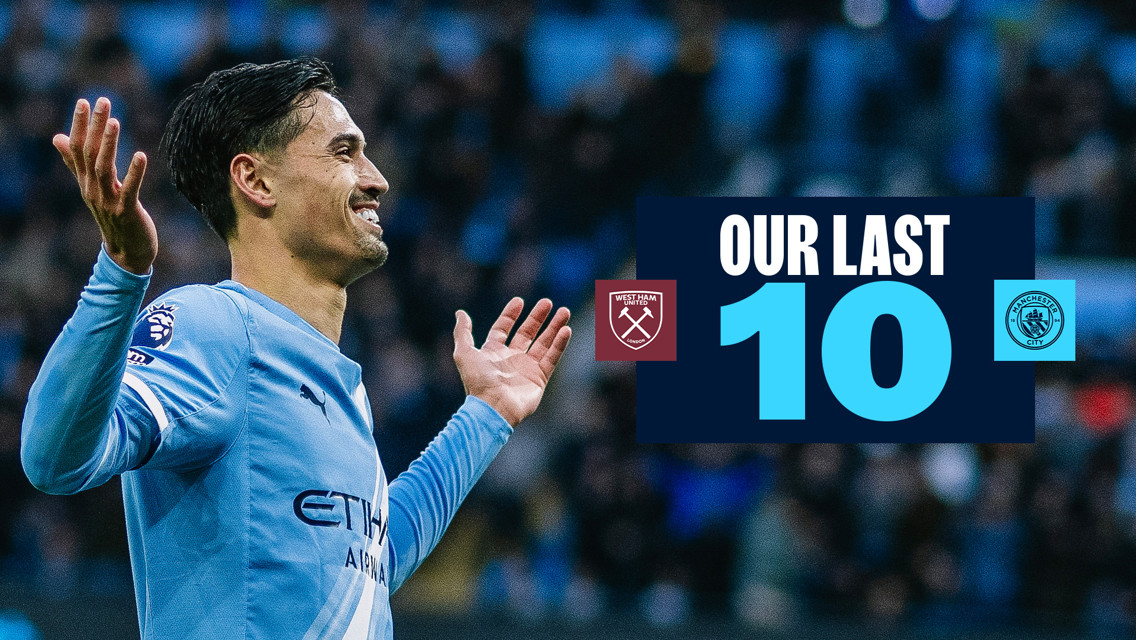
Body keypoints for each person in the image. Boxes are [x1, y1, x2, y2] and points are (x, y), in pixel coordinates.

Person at [20, 57, 572, 639]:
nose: (377, 178)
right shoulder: (214, 326)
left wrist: (485, 416)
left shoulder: (340, 383)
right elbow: (54, 459)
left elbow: (368, 562)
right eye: (344, 152)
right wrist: (123, 273)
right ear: (255, 181)